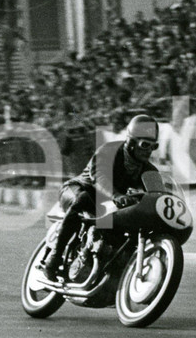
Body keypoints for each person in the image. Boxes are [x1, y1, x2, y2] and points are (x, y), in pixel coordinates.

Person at [43, 115, 160, 281]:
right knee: (83, 199)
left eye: (153, 146)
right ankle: (54, 257)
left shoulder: (150, 171)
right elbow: (100, 178)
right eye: (144, 145)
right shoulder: (109, 151)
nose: (148, 151)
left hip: (107, 204)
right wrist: (117, 195)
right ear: (131, 141)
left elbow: (159, 196)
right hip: (78, 189)